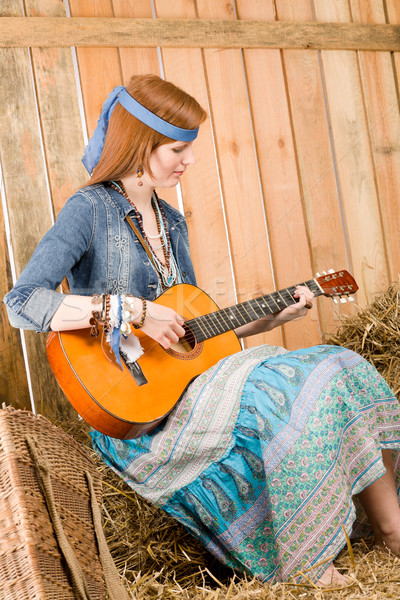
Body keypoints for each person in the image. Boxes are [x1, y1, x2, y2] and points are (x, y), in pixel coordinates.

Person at [4, 74, 400, 587]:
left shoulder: (171, 221)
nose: (188, 160)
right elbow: (21, 303)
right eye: (177, 149)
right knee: (278, 389)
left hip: (195, 387)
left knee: (340, 363)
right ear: (139, 144)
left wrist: (280, 314)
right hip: (138, 410)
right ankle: (307, 562)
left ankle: (391, 533)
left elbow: (195, 332)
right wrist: (131, 311)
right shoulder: (90, 211)